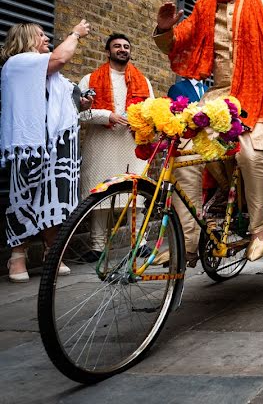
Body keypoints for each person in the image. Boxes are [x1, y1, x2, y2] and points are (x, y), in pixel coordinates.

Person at [153, 0, 263, 262]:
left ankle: (260, 229)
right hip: (221, 92)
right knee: (184, 153)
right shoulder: (206, 6)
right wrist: (165, 29)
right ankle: (187, 241)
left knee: (250, 154)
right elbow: (179, 42)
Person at [1, 20, 93, 282]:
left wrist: (81, 102)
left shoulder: (51, 76)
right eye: (40, 35)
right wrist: (75, 33)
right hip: (32, 143)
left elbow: (64, 103)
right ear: (25, 39)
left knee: (54, 199)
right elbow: (60, 58)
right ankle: (17, 257)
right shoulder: (20, 63)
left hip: (58, 144)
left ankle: (53, 254)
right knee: (25, 196)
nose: (46, 38)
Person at [77, 33, 154, 263]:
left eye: (126, 46)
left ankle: (138, 243)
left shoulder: (143, 80)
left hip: (132, 143)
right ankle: (97, 246)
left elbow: (151, 109)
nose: (122, 49)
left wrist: (139, 116)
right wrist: (106, 115)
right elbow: (79, 113)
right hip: (101, 143)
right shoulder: (90, 79)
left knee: (136, 194)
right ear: (108, 51)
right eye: (117, 46)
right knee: (100, 192)